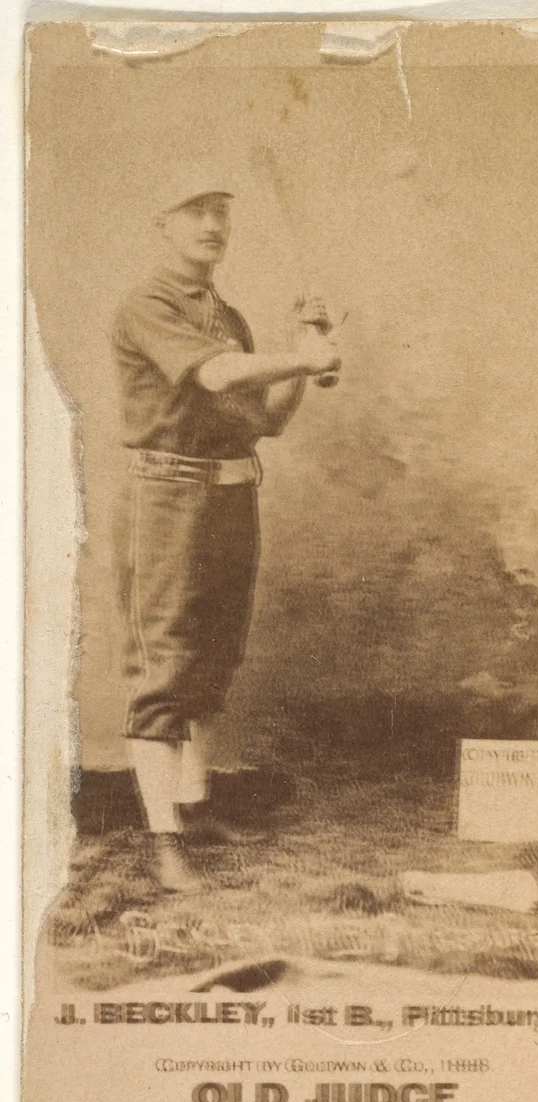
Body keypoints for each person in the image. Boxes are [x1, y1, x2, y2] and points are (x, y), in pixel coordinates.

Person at [111, 174, 340, 891]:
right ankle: (163, 839)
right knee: (168, 663)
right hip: (170, 495)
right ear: (164, 224)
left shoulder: (228, 316)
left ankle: (194, 805)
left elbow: (267, 420)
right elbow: (214, 377)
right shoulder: (147, 305)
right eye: (195, 212)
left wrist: (312, 343)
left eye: (220, 213)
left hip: (232, 493)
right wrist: (302, 358)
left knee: (217, 658)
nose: (212, 224)